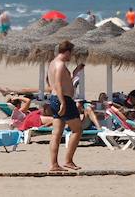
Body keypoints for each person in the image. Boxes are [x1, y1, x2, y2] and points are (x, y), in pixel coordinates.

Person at [47, 40, 84, 172]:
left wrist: (75, 72)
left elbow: (64, 80)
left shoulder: (53, 63)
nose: (71, 56)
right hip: (63, 100)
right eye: (71, 53)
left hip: (54, 98)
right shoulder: (61, 64)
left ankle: (54, 164)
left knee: (56, 133)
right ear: (67, 52)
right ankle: (68, 161)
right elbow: (58, 84)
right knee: (78, 130)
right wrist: (63, 102)